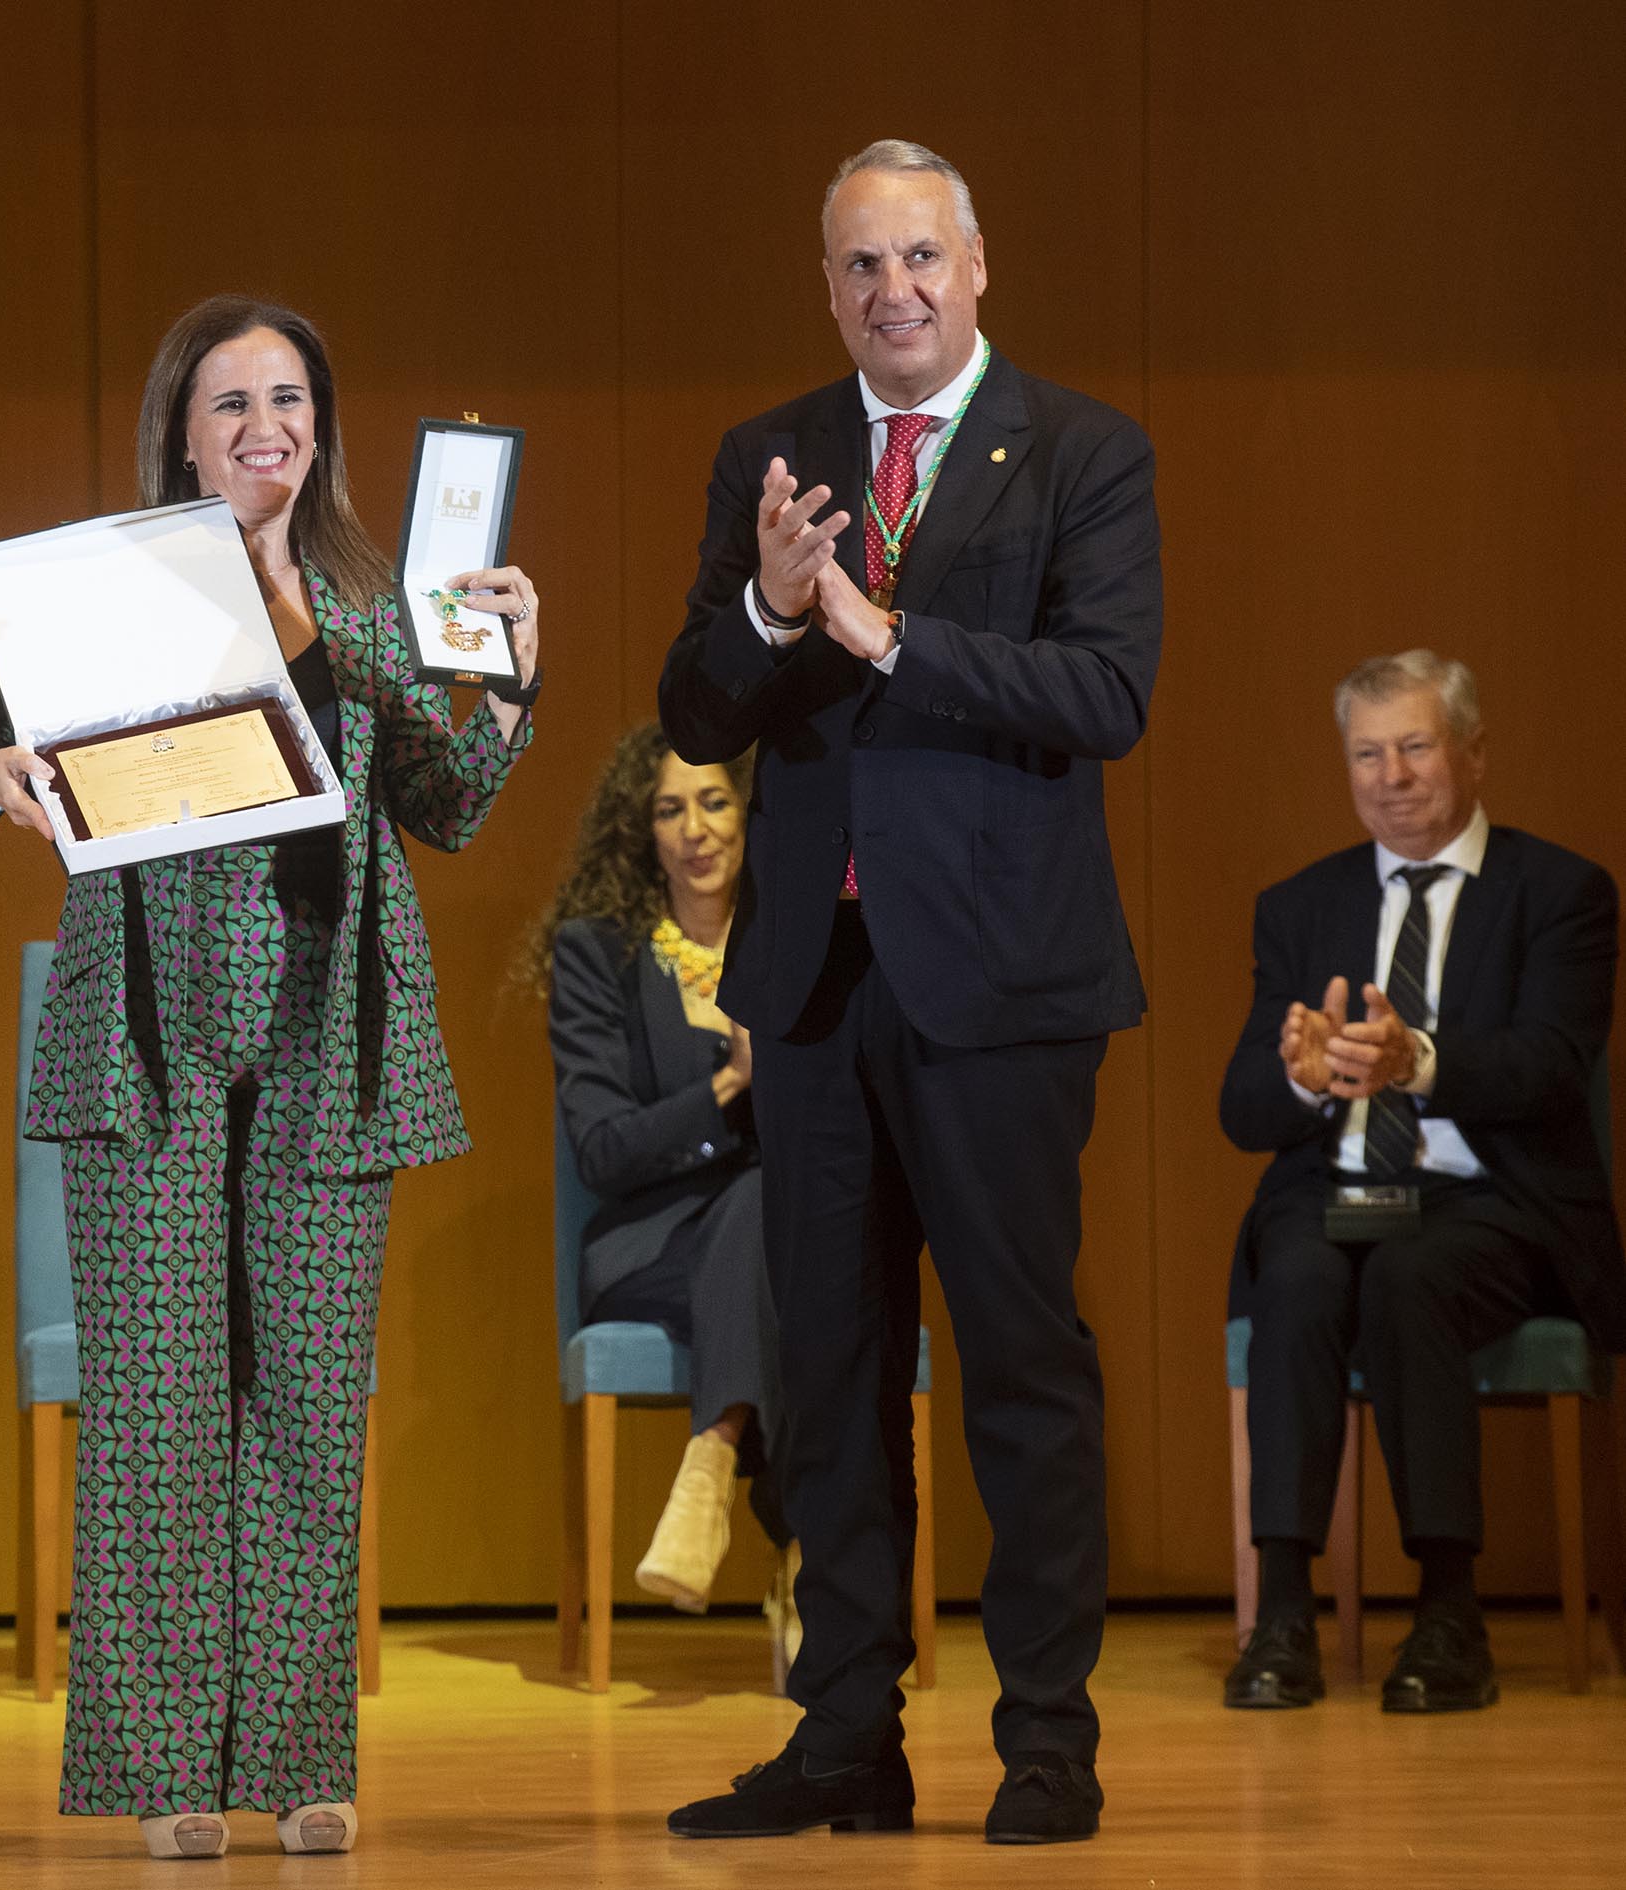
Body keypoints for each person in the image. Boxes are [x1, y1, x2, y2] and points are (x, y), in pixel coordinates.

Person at [0, 294, 538, 1861]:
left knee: (308, 1412)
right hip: (148, 1038)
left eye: (287, 398)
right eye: (230, 403)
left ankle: (295, 1754)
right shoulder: (118, 591)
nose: (264, 424)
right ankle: (169, 1767)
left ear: (317, 426)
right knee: (155, 1412)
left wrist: (512, 686)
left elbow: (450, 800)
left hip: (329, 1042)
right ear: (179, 433)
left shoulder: (368, 603)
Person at [658, 140, 1161, 1847]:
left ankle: (1046, 1748)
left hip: (1006, 986)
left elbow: (1104, 691)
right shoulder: (772, 456)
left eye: (921, 259)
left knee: (1020, 1369)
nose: (895, 291)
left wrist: (879, 635)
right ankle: (846, 1739)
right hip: (810, 990)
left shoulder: (1084, 451)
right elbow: (700, 703)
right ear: (828, 287)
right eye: (862, 266)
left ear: (978, 264)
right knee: (834, 1372)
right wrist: (768, 602)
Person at [1219, 651, 1621, 1714]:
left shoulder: (1562, 894)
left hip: (1492, 1201)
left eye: (1414, 747)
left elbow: (1549, 1068)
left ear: (1473, 753)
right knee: (1295, 1282)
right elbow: (1238, 1111)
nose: (1390, 775)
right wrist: (1304, 1083)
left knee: (1410, 1278)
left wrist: (1419, 1063)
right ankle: (1283, 1619)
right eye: (1367, 753)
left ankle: (1450, 1613)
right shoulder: (1301, 906)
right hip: (1334, 1190)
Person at [528, 726, 795, 1672]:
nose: (695, 829)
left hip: (785, 1243)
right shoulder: (600, 954)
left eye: (714, 802)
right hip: (649, 1250)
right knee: (772, 1230)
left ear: (748, 814)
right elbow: (601, 1151)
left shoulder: (800, 944)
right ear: (639, 829)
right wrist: (728, 1086)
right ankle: (793, 1546)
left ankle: (711, 1470)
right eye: (669, 808)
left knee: (780, 1230)